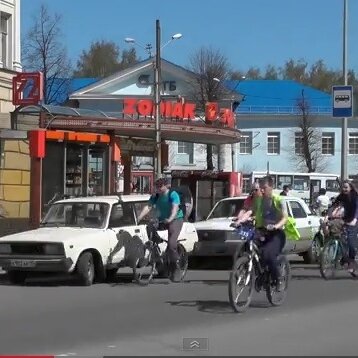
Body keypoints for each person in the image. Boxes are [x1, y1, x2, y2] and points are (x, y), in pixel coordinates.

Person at [137, 177, 184, 281]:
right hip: (162, 219)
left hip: (176, 219)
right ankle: (156, 245)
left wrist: (170, 218)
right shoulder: (156, 196)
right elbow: (148, 207)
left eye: (160, 186)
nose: (158, 188)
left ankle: (176, 268)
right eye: (156, 186)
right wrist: (139, 218)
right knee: (149, 226)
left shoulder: (173, 194)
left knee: (172, 244)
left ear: (166, 186)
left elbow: (175, 208)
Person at [252, 176, 294, 290]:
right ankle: (259, 275)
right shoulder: (259, 200)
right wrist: (243, 219)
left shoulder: (280, 200)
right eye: (260, 188)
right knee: (251, 249)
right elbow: (253, 212)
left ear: (272, 187)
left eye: (264, 188)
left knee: (268, 254)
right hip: (263, 232)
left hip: (277, 234)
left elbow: (285, 217)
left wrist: (276, 226)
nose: (262, 190)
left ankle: (278, 279)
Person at [328, 180, 358, 273]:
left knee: (350, 241)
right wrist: (327, 216)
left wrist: (355, 220)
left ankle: (352, 261)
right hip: (346, 219)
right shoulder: (341, 196)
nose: (344, 189)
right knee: (341, 238)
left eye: (346, 187)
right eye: (343, 187)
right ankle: (344, 258)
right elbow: (333, 205)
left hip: (355, 220)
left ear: (351, 188)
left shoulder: (355, 196)